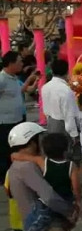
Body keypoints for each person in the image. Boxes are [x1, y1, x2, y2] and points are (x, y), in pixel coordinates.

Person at [7, 122, 79, 231]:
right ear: (31, 142)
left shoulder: (15, 167)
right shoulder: (28, 167)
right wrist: (70, 212)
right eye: (37, 139)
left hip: (32, 226)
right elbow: (49, 196)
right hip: (48, 226)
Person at [1, 51, 39, 181]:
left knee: (17, 148)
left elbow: (23, 91)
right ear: (11, 64)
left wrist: (32, 81)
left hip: (17, 119)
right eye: (19, 62)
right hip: (5, 122)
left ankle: (17, 174)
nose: (22, 64)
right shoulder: (2, 79)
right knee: (6, 151)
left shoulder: (14, 78)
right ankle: (5, 177)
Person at [41, 59, 80, 152]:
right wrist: (74, 134)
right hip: (62, 126)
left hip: (50, 122)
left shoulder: (45, 87)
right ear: (67, 71)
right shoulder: (65, 90)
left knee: (54, 152)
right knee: (65, 153)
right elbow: (69, 114)